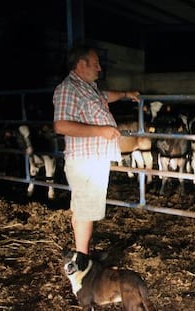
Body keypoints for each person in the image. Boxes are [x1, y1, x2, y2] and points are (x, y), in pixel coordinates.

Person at [53, 45, 140, 256]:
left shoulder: (87, 87)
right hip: (85, 160)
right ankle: (83, 259)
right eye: (95, 64)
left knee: (84, 208)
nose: (99, 68)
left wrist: (126, 94)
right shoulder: (68, 89)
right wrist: (100, 130)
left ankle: (84, 254)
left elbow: (105, 96)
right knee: (85, 210)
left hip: (93, 159)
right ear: (81, 64)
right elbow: (61, 126)